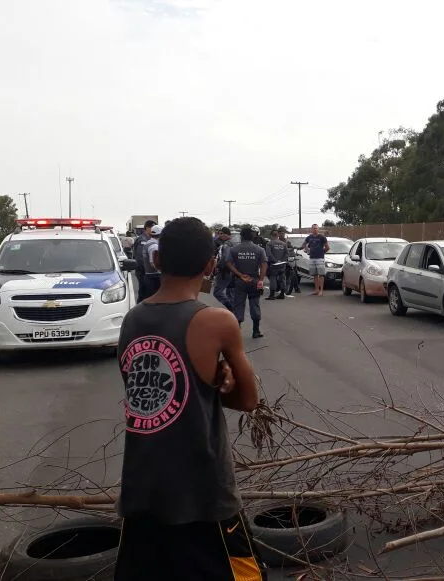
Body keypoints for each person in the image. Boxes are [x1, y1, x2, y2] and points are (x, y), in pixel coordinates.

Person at [114, 217, 262, 581]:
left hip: (141, 492)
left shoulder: (132, 320)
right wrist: (220, 376)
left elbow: (142, 393)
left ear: (157, 261)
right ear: (211, 264)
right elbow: (247, 400)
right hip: (205, 497)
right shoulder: (217, 321)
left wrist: (206, 381)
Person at [227, 226, 268, 338]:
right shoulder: (259, 250)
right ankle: (256, 331)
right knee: (254, 304)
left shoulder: (234, 249)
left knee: (238, 304)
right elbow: (264, 265)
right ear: (253, 236)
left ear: (241, 236)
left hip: (240, 281)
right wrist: (261, 280)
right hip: (254, 280)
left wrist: (239, 274)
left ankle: (236, 332)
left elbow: (229, 263)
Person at [302, 224, 330, 296]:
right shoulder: (309, 237)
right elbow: (304, 244)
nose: (315, 229)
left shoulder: (322, 237)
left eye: (316, 228)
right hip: (312, 258)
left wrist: (322, 252)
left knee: (321, 275)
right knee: (314, 275)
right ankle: (316, 290)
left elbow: (327, 247)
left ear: (318, 229)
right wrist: (308, 250)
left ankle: (321, 291)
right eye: (314, 228)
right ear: (311, 229)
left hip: (320, 258)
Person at [212, 227, 235, 311]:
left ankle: (231, 308)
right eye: (219, 234)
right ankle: (235, 314)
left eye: (222, 234)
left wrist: (217, 266)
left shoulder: (227, 244)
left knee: (217, 292)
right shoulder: (232, 243)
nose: (220, 235)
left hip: (225, 271)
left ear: (226, 234)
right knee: (230, 293)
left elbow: (225, 258)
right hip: (232, 271)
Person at [133, 219, 156, 302]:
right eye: (152, 228)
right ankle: (139, 311)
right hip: (142, 270)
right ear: (147, 228)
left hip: (147, 271)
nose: (153, 230)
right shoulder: (142, 240)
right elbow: (140, 258)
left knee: (148, 292)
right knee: (143, 292)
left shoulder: (150, 239)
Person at [265, 227, 289, 301]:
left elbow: (269, 254)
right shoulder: (284, 244)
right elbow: (287, 253)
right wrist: (281, 261)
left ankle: (272, 295)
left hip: (273, 264)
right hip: (282, 264)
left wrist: (275, 261)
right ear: (278, 235)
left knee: (273, 278)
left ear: (271, 235)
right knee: (282, 278)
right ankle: (282, 294)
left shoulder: (269, 243)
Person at [142, 225, 163, 298]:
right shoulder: (154, 247)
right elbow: (153, 263)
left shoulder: (148, 243)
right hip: (154, 277)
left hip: (149, 276)